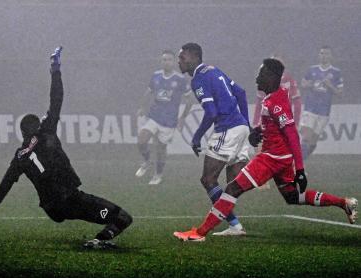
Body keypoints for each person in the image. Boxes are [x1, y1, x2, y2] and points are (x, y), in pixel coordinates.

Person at [173, 58, 357, 242]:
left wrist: (300, 169)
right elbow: (274, 125)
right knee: (292, 196)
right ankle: (344, 203)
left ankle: (200, 233)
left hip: (272, 158)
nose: (256, 79)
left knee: (232, 188)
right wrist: (257, 133)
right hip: (281, 157)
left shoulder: (276, 103)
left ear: (271, 77)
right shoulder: (274, 96)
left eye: (260, 74)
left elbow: (292, 134)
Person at [0, 47, 133, 249]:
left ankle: (96, 231)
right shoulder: (46, 132)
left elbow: (3, 188)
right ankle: (100, 240)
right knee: (121, 217)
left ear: (22, 133)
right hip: (72, 200)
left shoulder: (20, 156)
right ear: (39, 125)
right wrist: (55, 69)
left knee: (80, 209)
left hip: (53, 209)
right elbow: (57, 98)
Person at [177, 43, 251, 236]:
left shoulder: (199, 79)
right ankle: (235, 225)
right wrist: (247, 125)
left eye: (182, 58)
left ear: (194, 58)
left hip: (226, 130)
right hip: (240, 128)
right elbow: (241, 93)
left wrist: (196, 137)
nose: (180, 61)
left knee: (208, 179)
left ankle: (233, 225)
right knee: (233, 183)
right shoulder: (215, 70)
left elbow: (211, 112)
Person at [135, 50, 194, 185]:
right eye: (164, 60)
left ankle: (158, 174)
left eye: (169, 60)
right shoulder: (156, 76)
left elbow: (190, 100)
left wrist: (183, 117)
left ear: (174, 62)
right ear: (161, 61)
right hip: (154, 116)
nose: (166, 62)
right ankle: (146, 161)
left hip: (169, 121)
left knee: (161, 148)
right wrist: (142, 107)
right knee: (141, 140)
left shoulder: (180, 79)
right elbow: (148, 92)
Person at [253, 54, 302, 190]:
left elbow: (296, 100)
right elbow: (259, 102)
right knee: (264, 146)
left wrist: (296, 121)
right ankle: (264, 179)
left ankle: (292, 172)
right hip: (269, 117)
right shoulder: (265, 80)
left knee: (284, 146)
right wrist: (255, 121)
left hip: (283, 118)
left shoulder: (288, 80)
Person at [300, 46, 343, 160]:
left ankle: (300, 161)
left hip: (324, 110)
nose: (324, 56)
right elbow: (303, 84)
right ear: (319, 55)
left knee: (313, 141)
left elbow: (339, 93)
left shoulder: (336, 72)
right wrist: (309, 84)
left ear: (331, 56)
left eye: (326, 54)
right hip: (310, 108)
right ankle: (298, 166)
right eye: (322, 53)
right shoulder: (312, 70)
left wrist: (330, 86)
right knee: (306, 137)